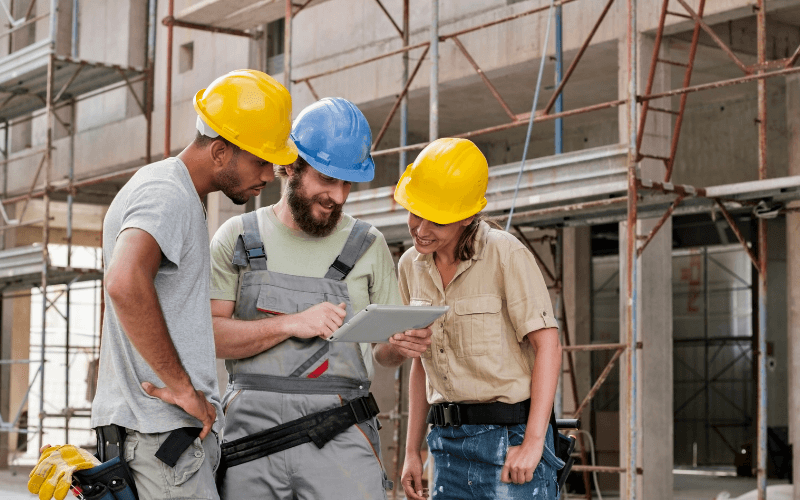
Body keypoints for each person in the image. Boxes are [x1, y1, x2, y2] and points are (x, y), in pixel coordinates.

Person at [209, 97, 432, 500]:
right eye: (327, 180)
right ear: (290, 167)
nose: (339, 196)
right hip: (252, 440)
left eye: (347, 183)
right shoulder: (238, 237)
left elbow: (382, 354)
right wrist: (291, 323)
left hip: (341, 433)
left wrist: (399, 347)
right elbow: (209, 336)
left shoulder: (368, 245)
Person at [88, 69, 297, 500]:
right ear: (220, 151)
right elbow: (124, 282)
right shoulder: (167, 193)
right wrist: (183, 388)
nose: (270, 174)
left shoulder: (173, 190)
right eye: (260, 160)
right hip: (162, 441)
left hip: (154, 440)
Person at [396, 138, 565, 500]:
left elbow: (548, 344)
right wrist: (412, 451)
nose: (420, 228)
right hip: (444, 444)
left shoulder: (505, 254)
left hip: (509, 441)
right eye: (414, 213)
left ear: (467, 216)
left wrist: (534, 443)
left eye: (435, 219)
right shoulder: (410, 266)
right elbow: (423, 363)